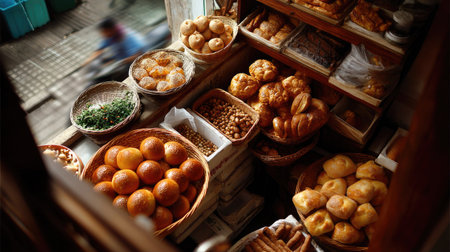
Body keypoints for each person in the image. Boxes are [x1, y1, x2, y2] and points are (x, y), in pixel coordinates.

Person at [83, 17, 146, 82]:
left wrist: (120, 62)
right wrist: (89, 60)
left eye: (104, 31)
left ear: (111, 29)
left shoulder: (129, 37)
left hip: (134, 65)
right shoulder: (110, 36)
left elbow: (139, 54)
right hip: (120, 61)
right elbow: (100, 48)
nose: (103, 34)